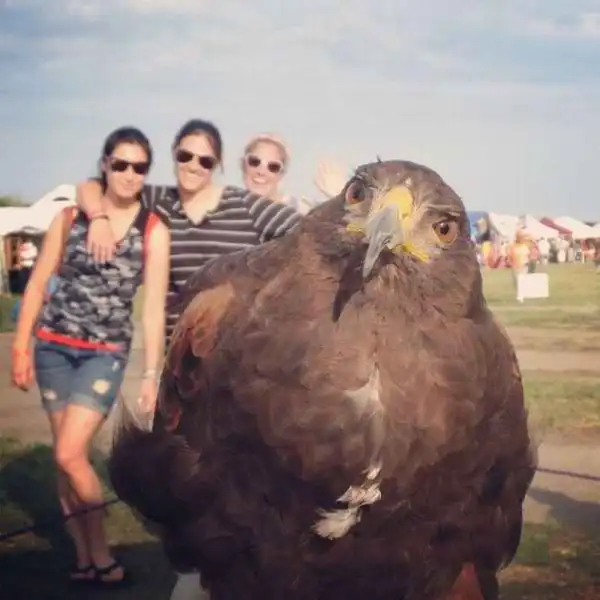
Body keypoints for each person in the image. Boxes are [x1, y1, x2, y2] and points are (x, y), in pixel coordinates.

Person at [11, 126, 170, 588]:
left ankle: (101, 554)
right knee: (66, 461)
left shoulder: (153, 229)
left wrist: (151, 374)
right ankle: (83, 559)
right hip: (53, 348)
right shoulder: (70, 217)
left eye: (139, 167)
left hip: (105, 354)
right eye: (120, 164)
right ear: (105, 164)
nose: (129, 174)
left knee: (68, 452)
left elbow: (153, 309)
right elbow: (37, 285)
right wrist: (20, 346)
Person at [240, 133, 347, 214]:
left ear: (281, 174)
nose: (261, 172)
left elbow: (355, 229)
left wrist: (344, 198)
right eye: (254, 161)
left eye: (273, 167)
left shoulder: (302, 211)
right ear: (243, 164)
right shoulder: (231, 212)